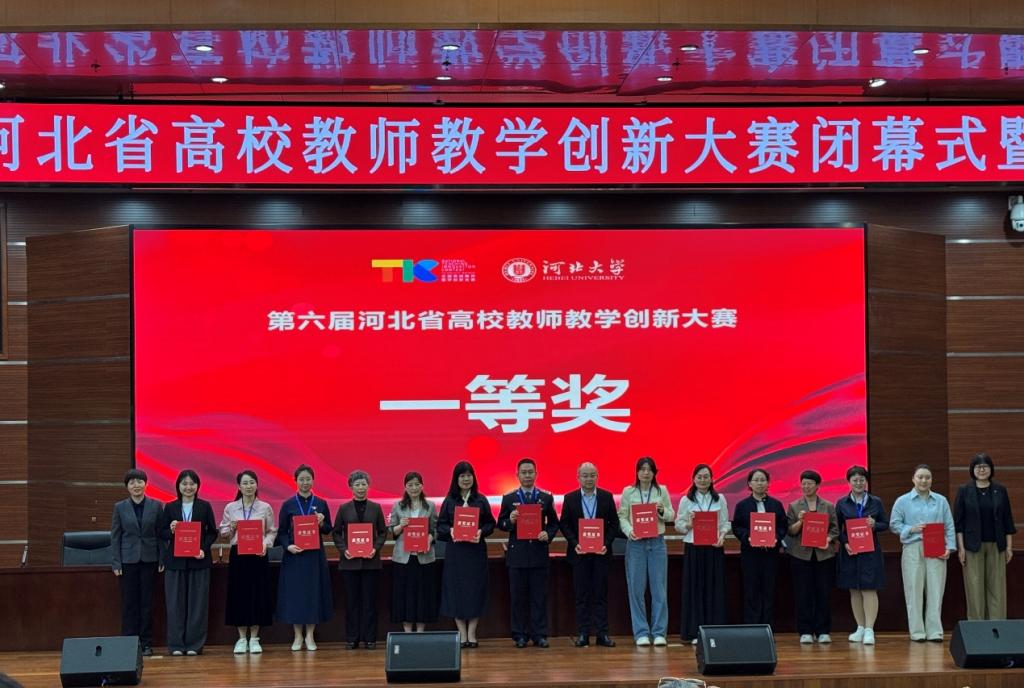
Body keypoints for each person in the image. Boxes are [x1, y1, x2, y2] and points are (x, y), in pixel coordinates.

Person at [497, 458, 560, 648]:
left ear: (536, 474)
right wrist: (510, 521)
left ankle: (539, 634)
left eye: (530, 472)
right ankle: (520, 635)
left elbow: (554, 524)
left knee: (539, 597)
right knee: (518, 598)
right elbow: (501, 524)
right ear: (517, 475)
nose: (527, 475)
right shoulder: (509, 498)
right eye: (523, 472)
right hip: (517, 556)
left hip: (539, 554)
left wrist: (547, 534)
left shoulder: (546, 497)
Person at [890, 464, 956, 642]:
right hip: (913, 547)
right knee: (914, 590)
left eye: (927, 477)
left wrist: (949, 548)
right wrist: (911, 529)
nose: (924, 480)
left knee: (936, 590)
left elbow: (949, 526)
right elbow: (894, 524)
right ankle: (917, 631)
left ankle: (934, 631)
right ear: (913, 479)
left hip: (936, 548)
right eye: (920, 477)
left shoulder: (941, 501)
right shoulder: (903, 501)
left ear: (932, 480)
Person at [158, 469, 218, 656]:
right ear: (178, 486)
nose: (188, 487)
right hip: (175, 563)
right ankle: (176, 645)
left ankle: (194, 645)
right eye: (184, 484)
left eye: (192, 484)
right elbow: (161, 532)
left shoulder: (204, 506)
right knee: (175, 604)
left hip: (199, 561)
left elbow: (212, 532)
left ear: (197, 486)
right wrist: (171, 530)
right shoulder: (170, 507)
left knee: (197, 605)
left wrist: (203, 549)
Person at [437, 461, 496, 649]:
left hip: (475, 553)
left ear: (473, 478)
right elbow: (440, 526)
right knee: (456, 591)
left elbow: (490, 524)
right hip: (456, 554)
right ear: (456, 479)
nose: (466, 479)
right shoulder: (449, 501)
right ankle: (462, 634)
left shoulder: (481, 499)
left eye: (469, 475)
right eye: (462, 476)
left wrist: (481, 531)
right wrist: (450, 530)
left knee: (475, 591)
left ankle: (472, 633)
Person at [559, 462, 620, 648]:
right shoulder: (570, 498)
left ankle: (602, 634)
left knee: (601, 595)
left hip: (601, 554)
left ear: (597, 476)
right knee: (582, 596)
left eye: (592, 475)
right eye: (585, 475)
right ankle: (583, 634)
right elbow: (565, 525)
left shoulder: (606, 497)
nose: (588, 479)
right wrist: (575, 543)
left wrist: (605, 544)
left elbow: (614, 524)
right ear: (578, 477)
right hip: (579, 554)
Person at [617, 456, 674, 647]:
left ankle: (659, 632)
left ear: (654, 472)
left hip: (656, 543)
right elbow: (622, 516)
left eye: (649, 469)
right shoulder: (628, 491)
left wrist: (662, 511)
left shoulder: (661, 490)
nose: (646, 473)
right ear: (637, 472)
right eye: (642, 469)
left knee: (659, 590)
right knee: (636, 590)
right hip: (636, 544)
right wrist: (629, 531)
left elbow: (671, 515)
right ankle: (641, 632)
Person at [218, 470, 277, 654]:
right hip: (238, 555)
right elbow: (223, 532)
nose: (249, 486)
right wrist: (231, 527)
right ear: (239, 486)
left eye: (252, 482)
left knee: (258, 595)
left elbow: (271, 531)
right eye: (245, 483)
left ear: (257, 485)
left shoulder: (265, 507)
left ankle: (255, 638)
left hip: (258, 555)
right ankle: (242, 638)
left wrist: (266, 544)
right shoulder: (231, 507)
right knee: (239, 595)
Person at [276, 464, 333, 651]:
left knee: (312, 595)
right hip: (295, 556)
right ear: (296, 481)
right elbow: (282, 532)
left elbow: (328, 529)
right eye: (302, 479)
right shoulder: (288, 504)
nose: (305, 482)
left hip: (314, 557)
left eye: (308, 479)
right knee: (296, 596)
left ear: (313, 481)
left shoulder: (321, 503)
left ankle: (310, 635)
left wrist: (322, 522)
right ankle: (297, 636)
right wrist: (288, 546)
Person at [954, 452, 1016, 620]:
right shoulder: (964, 490)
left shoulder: (1000, 490)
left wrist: (1009, 547)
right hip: (972, 546)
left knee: (997, 587)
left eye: (985, 466)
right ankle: (977, 627)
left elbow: (1008, 520)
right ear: (972, 469)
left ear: (991, 469)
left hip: (997, 545)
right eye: (978, 466)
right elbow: (958, 523)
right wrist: (961, 548)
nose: (982, 470)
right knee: (974, 587)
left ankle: (997, 626)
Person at [110, 468, 164, 657]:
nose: (136, 485)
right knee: (129, 604)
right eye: (132, 482)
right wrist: (116, 562)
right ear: (127, 487)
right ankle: (129, 644)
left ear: (146, 484)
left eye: (139, 481)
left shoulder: (156, 506)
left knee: (147, 604)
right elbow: (115, 536)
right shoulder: (119, 507)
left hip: (150, 559)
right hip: (128, 562)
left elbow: (160, 535)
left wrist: (162, 557)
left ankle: (146, 643)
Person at [332, 470, 388, 650]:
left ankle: (370, 639)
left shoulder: (376, 508)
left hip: (371, 562)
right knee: (352, 603)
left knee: (370, 603)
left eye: (364, 484)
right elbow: (336, 533)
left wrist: (375, 548)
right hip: (350, 563)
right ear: (351, 487)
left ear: (368, 486)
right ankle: (352, 638)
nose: (361, 488)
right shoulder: (344, 508)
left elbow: (383, 532)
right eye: (357, 484)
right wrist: (344, 550)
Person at [675, 463, 730, 644]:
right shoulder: (686, 500)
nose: (703, 480)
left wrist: (722, 536)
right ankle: (695, 632)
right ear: (693, 479)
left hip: (714, 548)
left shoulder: (719, 499)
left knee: (715, 589)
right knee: (695, 589)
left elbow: (725, 523)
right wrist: (689, 525)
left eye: (706, 477)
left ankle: (715, 630)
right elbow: (678, 525)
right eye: (699, 477)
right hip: (694, 548)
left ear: (712, 479)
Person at [835, 465, 888, 645]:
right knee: (854, 590)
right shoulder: (842, 503)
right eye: (855, 480)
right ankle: (860, 627)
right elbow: (837, 529)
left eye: (862, 480)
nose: (858, 483)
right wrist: (845, 543)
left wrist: (875, 525)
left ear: (866, 481)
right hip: (850, 553)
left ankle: (869, 629)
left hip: (870, 553)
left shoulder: (875, 502)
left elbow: (885, 524)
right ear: (849, 482)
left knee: (869, 589)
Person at [785, 469, 839, 644]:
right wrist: (800, 521)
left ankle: (823, 630)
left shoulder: (828, 506)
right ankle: (805, 630)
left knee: (823, 593)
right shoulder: (794, 506)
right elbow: (790, 531)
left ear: (817, 486)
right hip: (801, 556)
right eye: (803, 484)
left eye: (810, 483)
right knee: (803, 593)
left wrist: (827, 539)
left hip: (824, 555)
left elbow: (835, 529)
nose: (806, 486)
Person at [731, 468, 788, 629]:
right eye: (756, 480)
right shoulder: (742, 505)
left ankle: (767, 627)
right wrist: (748, 537)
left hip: (770, 554)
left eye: (763, 480)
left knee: (769, 590)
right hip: (750, 554)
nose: (759, 483)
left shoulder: (776, 504)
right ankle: (752, 627)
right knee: (751, 590)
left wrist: (776, 537)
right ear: (749, 483)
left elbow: (783, 526)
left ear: (768, 483)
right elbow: (737, 527)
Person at [389, 471, 440, 632]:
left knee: (422, 595)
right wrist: (401, 526)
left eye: (417, 484)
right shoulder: (398, 506)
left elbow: (435, 529)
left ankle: (420, 632)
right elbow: (392, 531)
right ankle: (407, 632)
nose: (414, 488)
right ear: (405, 487)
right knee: (404, 595)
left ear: (422, 486)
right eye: (410, 485)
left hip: (424, 558)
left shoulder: (430, 505)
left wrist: (430, 538)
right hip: (403, 558)